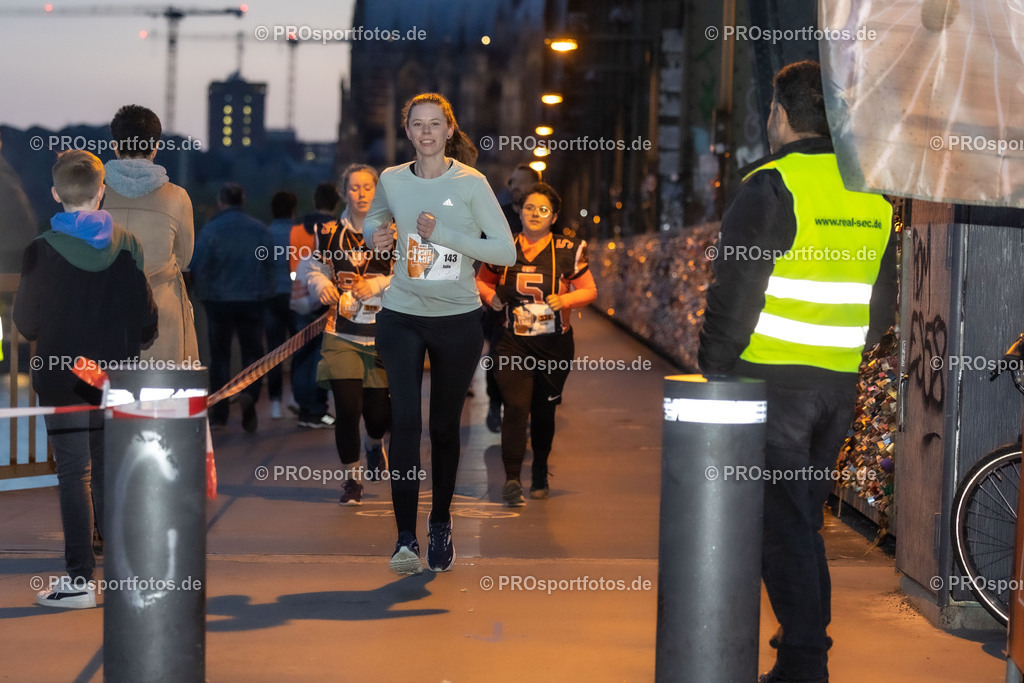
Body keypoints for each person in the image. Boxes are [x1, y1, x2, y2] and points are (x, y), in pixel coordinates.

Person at [697, 60, 896, 683]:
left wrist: (715, 365)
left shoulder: (772, 185)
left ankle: (805, 663)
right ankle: (803, 651)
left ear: (779, 115)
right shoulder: (870, 194)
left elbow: (735, 288)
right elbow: (883, 300)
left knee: (777, 528)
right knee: (801, 521)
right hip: (836, 388)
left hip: (773, 385)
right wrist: (844, 356)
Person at [366, 92, 515, 574]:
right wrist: (377, 235)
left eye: (435, 124)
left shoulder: (472, 183)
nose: (426, 132)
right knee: (405, 422)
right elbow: (375, 218)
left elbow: (505, 252)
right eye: (417, 124)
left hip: (456, 319)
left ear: (449, 130)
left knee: (445, 428)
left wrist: (443, 236)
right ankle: (404, 537)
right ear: (406, 131)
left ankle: (441, 523)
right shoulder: (390, 179)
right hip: (402, 313)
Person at [14, 150, 157, 608]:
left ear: (56, 194)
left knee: (74, 473)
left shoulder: (39, 250)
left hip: (62, 376)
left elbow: (26, 324)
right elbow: (147, 323)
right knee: (112, 470)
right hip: (116, 376)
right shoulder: (130, 244)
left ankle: (79, 581)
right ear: (102, 191)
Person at [476, 182, 596, 505]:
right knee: (516, 407)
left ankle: (540, 469)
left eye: (543, 209)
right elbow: (481, 282)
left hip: (553, 344)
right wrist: (492, 299)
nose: (535, 214)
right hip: (511, 341)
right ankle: (513, 477)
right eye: (529, 207)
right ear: (519, 211)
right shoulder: (503, 247)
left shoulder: (569, 249)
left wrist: (565, 298)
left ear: (554, 216)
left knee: (544, 411)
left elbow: (589, 290)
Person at [297, 165, 392, 505]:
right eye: (355, 188)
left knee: (379, 414)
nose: (362, 193)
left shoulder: (393, 230)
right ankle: (352, 480)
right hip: (342, 335)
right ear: (343, 192)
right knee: (348, 410)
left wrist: (378, 284)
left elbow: (415, 274)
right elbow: (311, 265)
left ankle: (373, 442)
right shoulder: (329, 231)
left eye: (368, 187)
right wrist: (320, 283)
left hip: (383, 336)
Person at [102, 104, 199, 364]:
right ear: (155, 147)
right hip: (162, 316)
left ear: (116, 146)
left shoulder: (95, 196)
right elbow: (185, 257)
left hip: (106, 314)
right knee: (165, 398)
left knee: (111, 399)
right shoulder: (177, 197)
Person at [191, 182, 273, 433]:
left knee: (220, 358)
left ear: (221, 202)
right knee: (252, 355)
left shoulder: (211, 230)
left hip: (219, 302)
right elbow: (270, 263)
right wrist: (264, 294)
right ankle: (250, 394)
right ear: (243, 200)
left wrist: (204, 295)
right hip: (252, 300)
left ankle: (220, 415)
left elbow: (198, 266)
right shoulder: (260, 230)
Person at [484, 163, 542, 431]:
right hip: (500, 301)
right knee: (497, 355)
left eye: (520, 182)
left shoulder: (546, 217)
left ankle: (524, 412)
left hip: (536, 306)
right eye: (512, 182)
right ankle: (496, 405)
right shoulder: (499, 215)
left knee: (534, 360)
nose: (513, 186)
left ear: (536, 185)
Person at [289, 183, 339, 429]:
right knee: (322, 357)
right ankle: (319, 410)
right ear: (336, 203)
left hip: (300, 296)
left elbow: (293, 261)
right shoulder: (338, 229)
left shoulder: (298, 229)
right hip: (326, 297)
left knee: (301, 354)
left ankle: (303, 408)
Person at [266, 190, 299, 419]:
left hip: (270, 296)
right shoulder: (298, 234)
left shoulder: (265, 234)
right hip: (295, 297)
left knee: (274, 351)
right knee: (300, 349)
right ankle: (297, 398)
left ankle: (275, 402)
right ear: (294, 210)